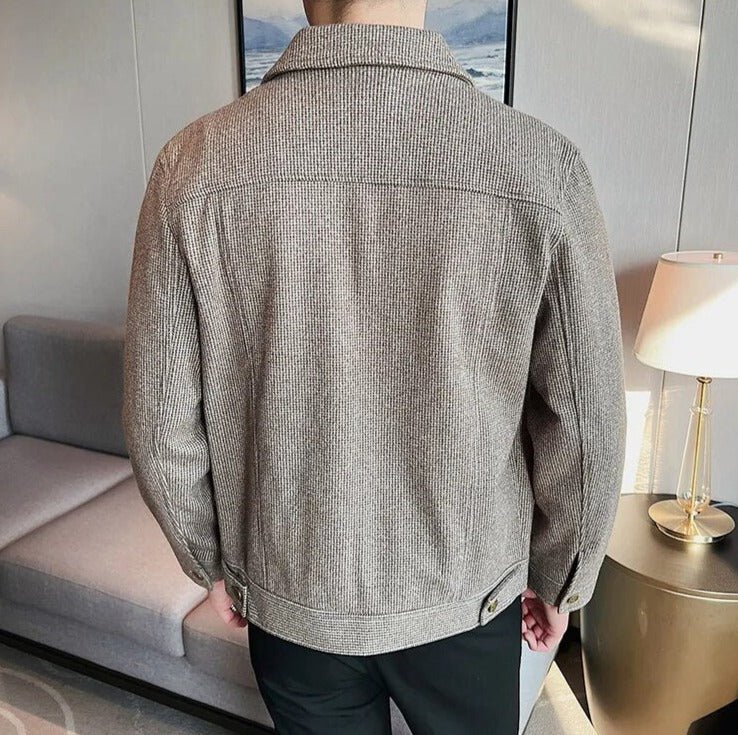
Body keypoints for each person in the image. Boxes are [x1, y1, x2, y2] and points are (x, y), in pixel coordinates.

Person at [121, 0, 627, 732]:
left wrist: (210, 559)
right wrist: (562, 577)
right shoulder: (540, 167)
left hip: (297, 595)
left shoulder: (193, 165)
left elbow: (159, 422)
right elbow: (586, 430)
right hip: (467, 594)